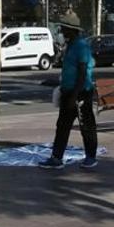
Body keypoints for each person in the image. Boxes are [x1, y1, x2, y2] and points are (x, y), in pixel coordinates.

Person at [41, 21, 97, 170]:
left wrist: (75, 95)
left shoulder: (81, 46)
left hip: (80, 92)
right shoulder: (71, 45)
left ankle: (91, 157)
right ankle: (56, 157)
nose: (62, 31)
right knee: (62, 125)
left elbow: (83, 72)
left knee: (86, 125)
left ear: (72, 30)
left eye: (64, 29)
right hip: (68, 91)